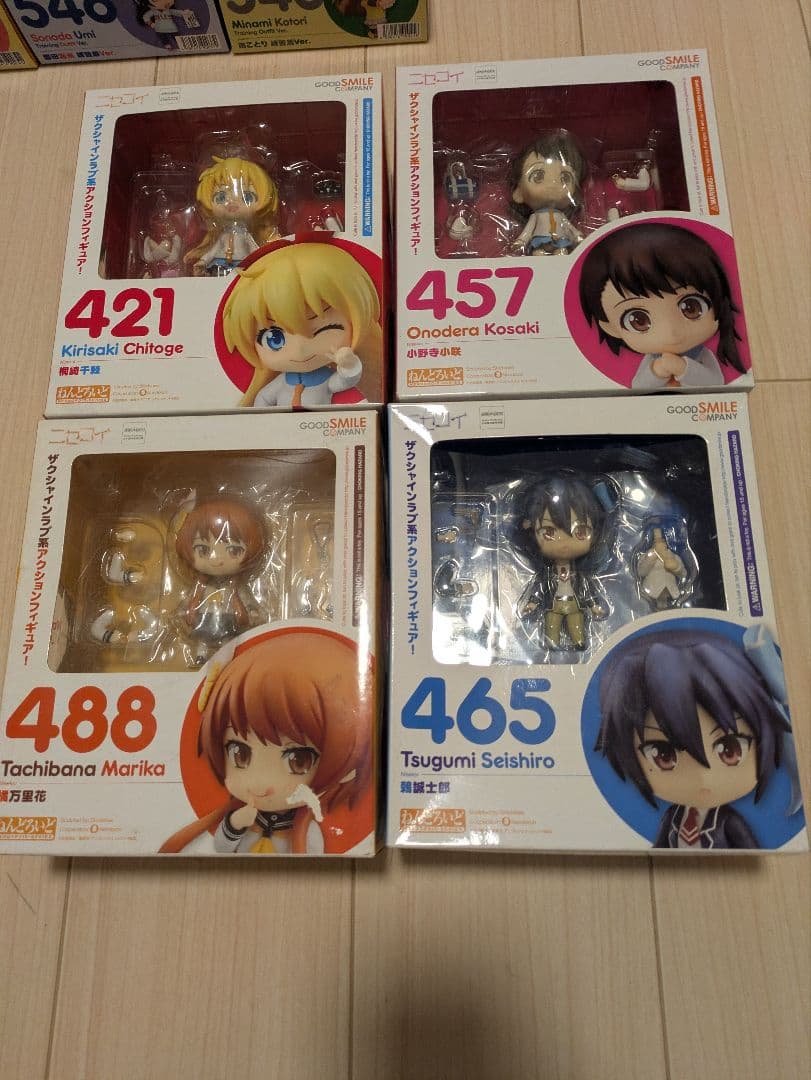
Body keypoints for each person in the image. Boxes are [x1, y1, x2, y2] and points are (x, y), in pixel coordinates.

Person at [159, 630, 372, 854]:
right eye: (240, 754)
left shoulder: (307, 831)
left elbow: (311, 860)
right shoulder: (242, 817)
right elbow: (221, 848)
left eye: (297, 761)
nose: (260, 782)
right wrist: (234, 825)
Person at [595, 629, 792, 849]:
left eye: (730, 750)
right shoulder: (673, 818)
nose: (703, 777)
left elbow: (749, 851)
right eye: (663, 756)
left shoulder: (728, 823)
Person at [578, 222, 746, 388]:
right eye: (639, 320)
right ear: (610, 327)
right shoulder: (652, 360)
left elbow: (716, 382)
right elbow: (638, 386)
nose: (671, 332)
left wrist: (684, 368)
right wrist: (657, 371)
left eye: (691, 308)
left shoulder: (702, 355)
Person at [222, 240, 382, 408]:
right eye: (275, 339)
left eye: (324, 329)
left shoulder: (326, 380)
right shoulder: (281, 383)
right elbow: (263, 398)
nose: (300, 350)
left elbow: (345, 380)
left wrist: (349, 364)